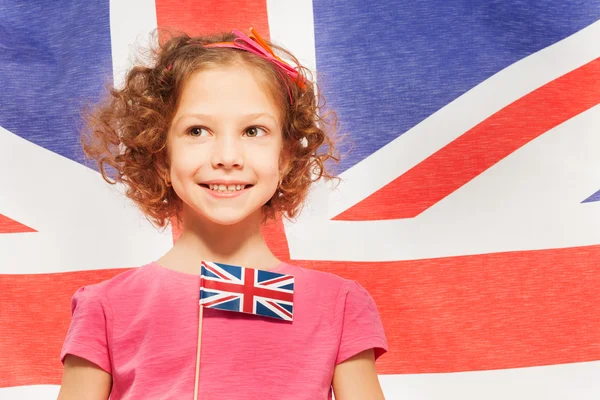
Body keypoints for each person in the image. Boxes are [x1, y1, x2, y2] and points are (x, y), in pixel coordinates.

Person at [57, 28, 388, 400]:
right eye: (197, 130)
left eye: (253, 130)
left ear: (285, 156)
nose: (227, 157)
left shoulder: (340, 305)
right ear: (161, 156)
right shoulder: (105, 308)